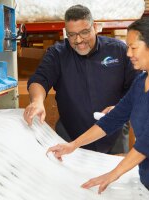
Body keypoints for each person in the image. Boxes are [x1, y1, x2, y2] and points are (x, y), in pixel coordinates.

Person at [47, 16, 149, 200]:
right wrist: (73, 145)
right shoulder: (142, 80)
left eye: (133, 47)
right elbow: (113, 118)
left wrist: (112, 175)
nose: (128, 54)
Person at [23, 4, 138, 154]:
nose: (78, 40)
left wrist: (121, 107)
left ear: (95, 27)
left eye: (84, 32)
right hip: (69, 135)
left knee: (114, 174)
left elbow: (137, 85)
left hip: (113, 133)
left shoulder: (118, 50)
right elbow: (40, 79)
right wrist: (37, 101)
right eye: (71, 35)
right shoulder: (57, 54)